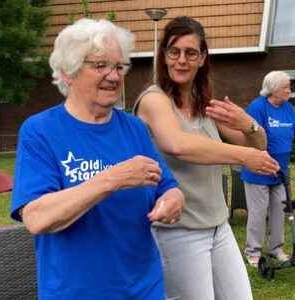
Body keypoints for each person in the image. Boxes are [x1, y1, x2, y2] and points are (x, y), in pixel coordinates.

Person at [9, 19, 184, 300]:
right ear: (68, 72)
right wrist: (112, 179)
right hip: (75, 292)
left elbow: (166, 185)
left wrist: (173, 199)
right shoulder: (40, 131)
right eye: (100, 65)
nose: (114, 76)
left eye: (118, 66)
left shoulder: (134, 128)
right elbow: (37, 218)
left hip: (144, 288)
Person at [133, 16, 279, 300]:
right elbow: (178, 144)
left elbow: (259, 146)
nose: (181, 60)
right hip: (179, 231)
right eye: (173, 52)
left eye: (190, 53)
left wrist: (248, 123)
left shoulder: (205, 105)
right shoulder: (153, 100)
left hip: (218, 227)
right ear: (163, 56)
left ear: (202, 58)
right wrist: (242, 155)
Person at [241, 71, 295, 267]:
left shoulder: (287, 107)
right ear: (273, 90)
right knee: (258, 212)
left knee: (280, 210)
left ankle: (276, 248)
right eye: (286, 87)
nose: (290, 90)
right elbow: (252, 138)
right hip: (259, 169)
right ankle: (253, 251)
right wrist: (264, 159)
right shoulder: (257, 107)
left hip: (281, 170)